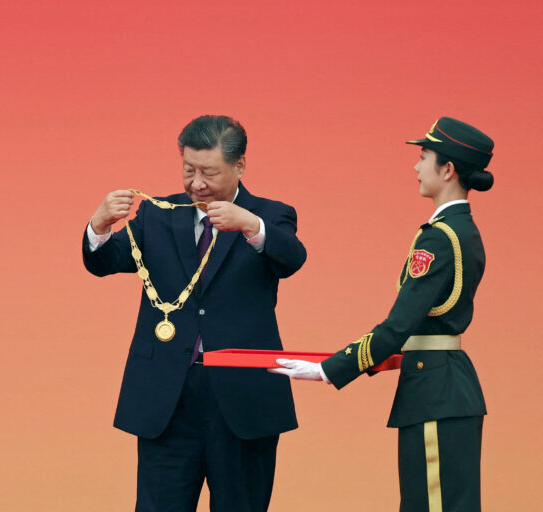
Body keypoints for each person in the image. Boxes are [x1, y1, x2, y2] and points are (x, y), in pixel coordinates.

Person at [83, 115, 307, 511]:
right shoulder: (159, 213)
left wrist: (251, 226)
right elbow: (105, 261)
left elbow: (291, 258)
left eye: (209, 172)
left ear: (239, 166)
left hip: (241, 401)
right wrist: (99, 223)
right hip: (168, 399)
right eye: (189, 170)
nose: (197, 183)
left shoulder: (271, 215)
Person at [271, 117, 494, 511]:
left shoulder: (440, 238)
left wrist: (329, 369)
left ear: (447, 169)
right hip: (442, 386)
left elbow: (398, 327)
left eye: (424, 157)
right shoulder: (460, 229)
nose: (416, 166)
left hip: (434, 393)